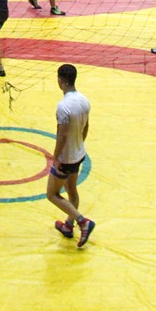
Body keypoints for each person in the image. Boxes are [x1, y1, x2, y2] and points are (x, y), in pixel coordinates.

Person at [47, 63, 95, 248]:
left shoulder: (63, 106)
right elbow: (86, 127)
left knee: (52, 194)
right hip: (79, 153)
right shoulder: (84, 100)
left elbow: (62, 135)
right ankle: (68, 225)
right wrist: (79, 145)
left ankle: (82, 221)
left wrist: (56, 157)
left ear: (60, 81)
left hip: (66, 158)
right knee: (72, 191)